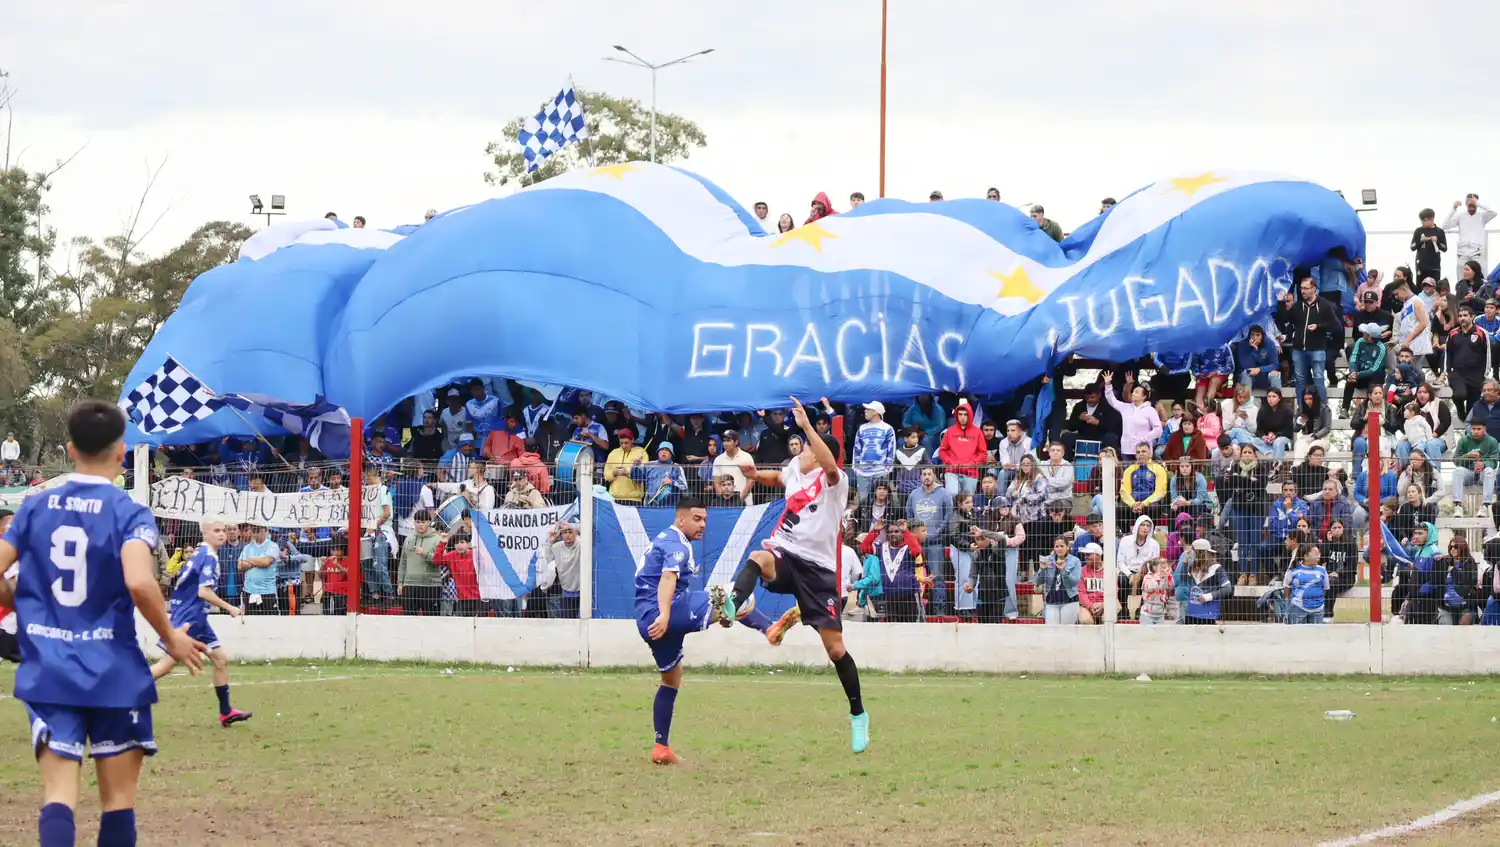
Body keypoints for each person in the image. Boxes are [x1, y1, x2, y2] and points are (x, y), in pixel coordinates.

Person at [0, 400, 206, 847]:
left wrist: (17, 597)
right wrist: (170, 637)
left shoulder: (33, 508)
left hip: (49, 669)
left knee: (58, 795)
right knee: (117, 802)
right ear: (120, 452)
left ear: (71, 450)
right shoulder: (129, 511)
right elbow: (139, 580)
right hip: (115, 671)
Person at [720, 397, 870, 753]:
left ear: (819, 454)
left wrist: (807, 426)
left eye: (804, 448)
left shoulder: (836, 481)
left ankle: (858, 714)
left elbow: (832, 467)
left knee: (835, 650)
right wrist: (757, 476)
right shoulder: (795, 471)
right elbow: (779, 476)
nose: (799, 451)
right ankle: (731, 605)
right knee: (759, 556)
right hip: (787, 554)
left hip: (819, 572)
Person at [634, 497, 734, 765]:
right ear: (681, 519)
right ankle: (769, 629)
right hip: (664, 612)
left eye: (705, 520)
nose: (702, 525)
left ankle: (660, 747)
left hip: (645, 619)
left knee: (671, 679)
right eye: (697, 519)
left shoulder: (665, 538)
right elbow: (668, 578)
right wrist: (666, 614)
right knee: (735, 594)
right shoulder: (678, 544)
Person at [148, 520, 253, 726]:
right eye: (216, 530)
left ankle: (226, 712)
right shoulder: (208, 557)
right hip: (189, 619)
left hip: (196, 617)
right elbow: (203, 592)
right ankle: (118, 695)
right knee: (165, 666)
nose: (222, 534)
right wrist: (229, 607)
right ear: (205, 533)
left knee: (220, 660)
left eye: (223, 530)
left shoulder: (201, 553)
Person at [1283, 545, 1329, 624]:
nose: (1319, 556)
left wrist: (1316, 599)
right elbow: (1287, 587)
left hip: (1318, 610)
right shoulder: (1293, 570)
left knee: (1315, 635)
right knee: (1298, 634)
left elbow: (1325, 589)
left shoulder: (1322, 570)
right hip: (1297, 608)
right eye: (1316, 554)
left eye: (1319, 553)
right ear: (1306, 556)